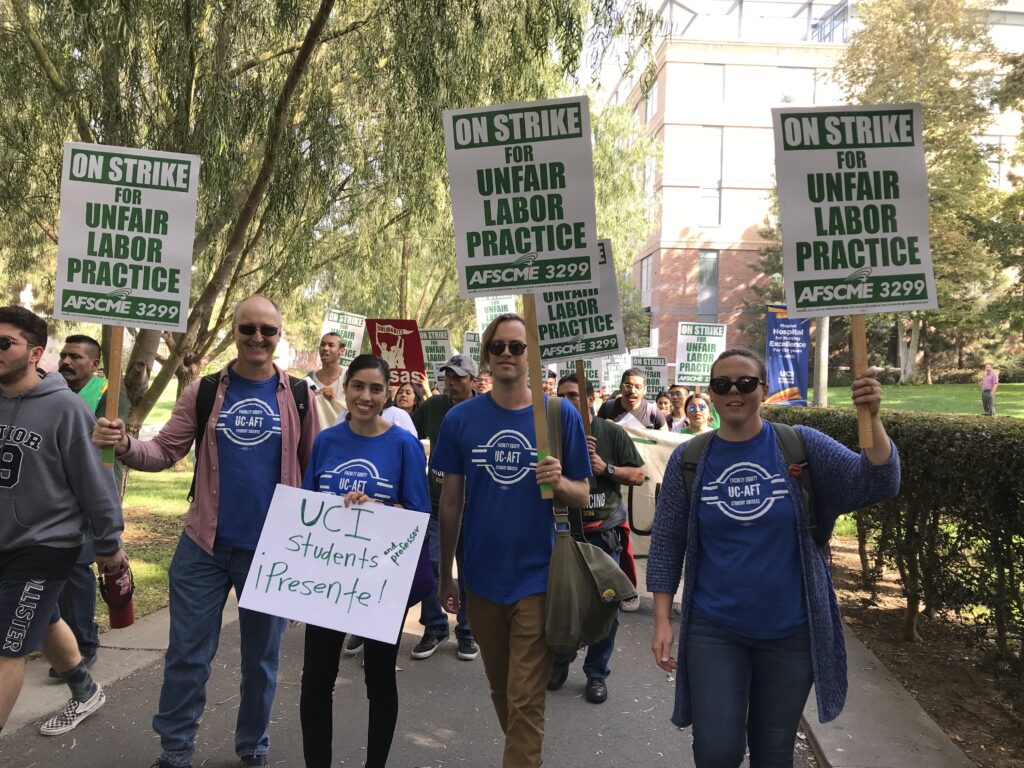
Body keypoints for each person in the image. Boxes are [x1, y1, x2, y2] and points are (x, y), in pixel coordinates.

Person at [92, 295, 319, 768]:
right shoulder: (204, 390)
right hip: (203, 548)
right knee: (187, 658)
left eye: (268, 331)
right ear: (234, 332)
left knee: (261, 662)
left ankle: (252, 747)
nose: (258, 338)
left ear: (279, 336)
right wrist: (126, 443)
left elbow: (316, 469)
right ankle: (175, 752)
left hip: (273, 552)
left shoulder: (300, 395)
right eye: (248, 329)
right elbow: (164, 452)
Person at [647, 347, 901, 768]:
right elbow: (668, 542)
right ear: (710, 393)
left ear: (763, 390)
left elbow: (878, 482)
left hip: (791, 632)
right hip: (715, 630)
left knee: (772, 749)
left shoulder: (799, 445)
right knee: (716, 750)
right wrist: (660, 621)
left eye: (745, 383)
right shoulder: (689, 460)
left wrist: (871, 417)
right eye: (722, 384)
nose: (734, 391)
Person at [431, 313, 592, 768]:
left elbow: (583, 493)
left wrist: (560, 484)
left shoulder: (559, 416)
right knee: (503, 690)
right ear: (486, 355)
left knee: (525, 696)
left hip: (540, 576)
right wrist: (447, 574)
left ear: (531, 356)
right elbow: (450, 503)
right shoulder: (460, 419)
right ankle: (526, 755)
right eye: (498, 346)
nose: (506, 354)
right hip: (482, 578)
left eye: (517, 347)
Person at [0, 307, 128, 738]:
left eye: (5, 343)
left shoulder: (65, 408)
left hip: (46, 544)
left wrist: (109, 542)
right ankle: (85, 688)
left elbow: (95, 481)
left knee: (7, 645)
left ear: (36, 353)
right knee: (43, 615)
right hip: (4, 538)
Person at [299, 354, 431, 768]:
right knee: (315, 680)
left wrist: (376, 508)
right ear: (345, 388)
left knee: (379, 678)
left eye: (376, 388)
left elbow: (418, 516)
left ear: (387, 393)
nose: (365, 396)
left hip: (380, 584)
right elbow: (305, 508)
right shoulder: (326, 442)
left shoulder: (404, 445)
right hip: (328, 579)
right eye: (358, 386)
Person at [547, 374, 645, 705]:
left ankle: (596, 673)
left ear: (591, 398)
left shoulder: (611, 433)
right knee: (562, 605)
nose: (566, 401)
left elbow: (639, 475)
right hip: (563, 534)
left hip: (604, 534)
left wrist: (606, 468)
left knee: (607, 606)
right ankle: (559, 664)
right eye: (561, 395)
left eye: (574, 395)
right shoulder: (548, 436)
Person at [52, 334, 130, 677]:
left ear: (95, 363)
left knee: (77, 571)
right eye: (64, 355)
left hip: (90, 493)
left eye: (76, 357)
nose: (67, 362)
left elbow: (100, 447)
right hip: (54, 496)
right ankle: (60, 642)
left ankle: (84, 645)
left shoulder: (107, 395)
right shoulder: (51, 391)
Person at [408, 354, 480, 662]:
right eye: (448, 376)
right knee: (433, 566)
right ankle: (435, 627)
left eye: (459, 377)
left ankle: (467, 631)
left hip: (474, 509)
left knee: (469, 570)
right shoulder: (434, 407)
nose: (451, 382)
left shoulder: (485, 411)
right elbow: (408, 436)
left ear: (473, 380)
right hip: (436, 505)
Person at [597, 368, 667, 430]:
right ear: (621, 387)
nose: (632, 391)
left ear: (645, 390)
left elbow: (665, 441)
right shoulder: (607, 408)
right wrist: (604, 428)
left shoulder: (654, 413)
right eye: (628, 386)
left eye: (638, 387)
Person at [306, 333, 347, 431]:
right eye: (322, 344)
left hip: (341, 435)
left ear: (341, 351)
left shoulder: (349, 377)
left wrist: (334, 400)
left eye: (331, 345)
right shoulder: (310, 378)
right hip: (316, 436)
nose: (325, 348)